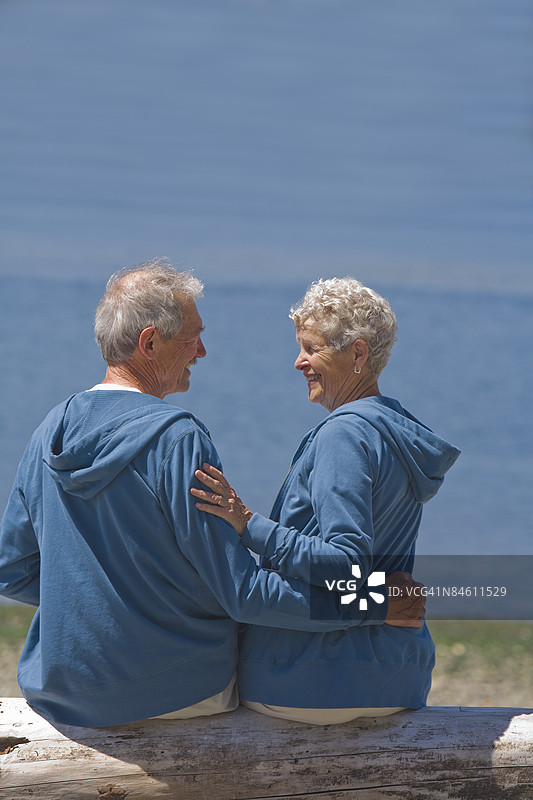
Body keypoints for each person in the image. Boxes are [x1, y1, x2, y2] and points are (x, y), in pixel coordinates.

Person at [0, 261, 423, 728]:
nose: (202, 351)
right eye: (193, 336)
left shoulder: (49, 430)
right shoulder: (177, 439)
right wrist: (375, 604)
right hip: (178, 688)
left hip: (60, 686)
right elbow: (243, 594)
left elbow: (12, 569)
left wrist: (101, 603)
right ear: (149, 343)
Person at [192, 277, 460, 725]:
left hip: (311, 682)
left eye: (311, 348)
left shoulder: (344, 434)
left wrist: (246, 522)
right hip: (397, 678)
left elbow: (346, 563)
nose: (298, 362)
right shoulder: (394, 430)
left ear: (357, 353)